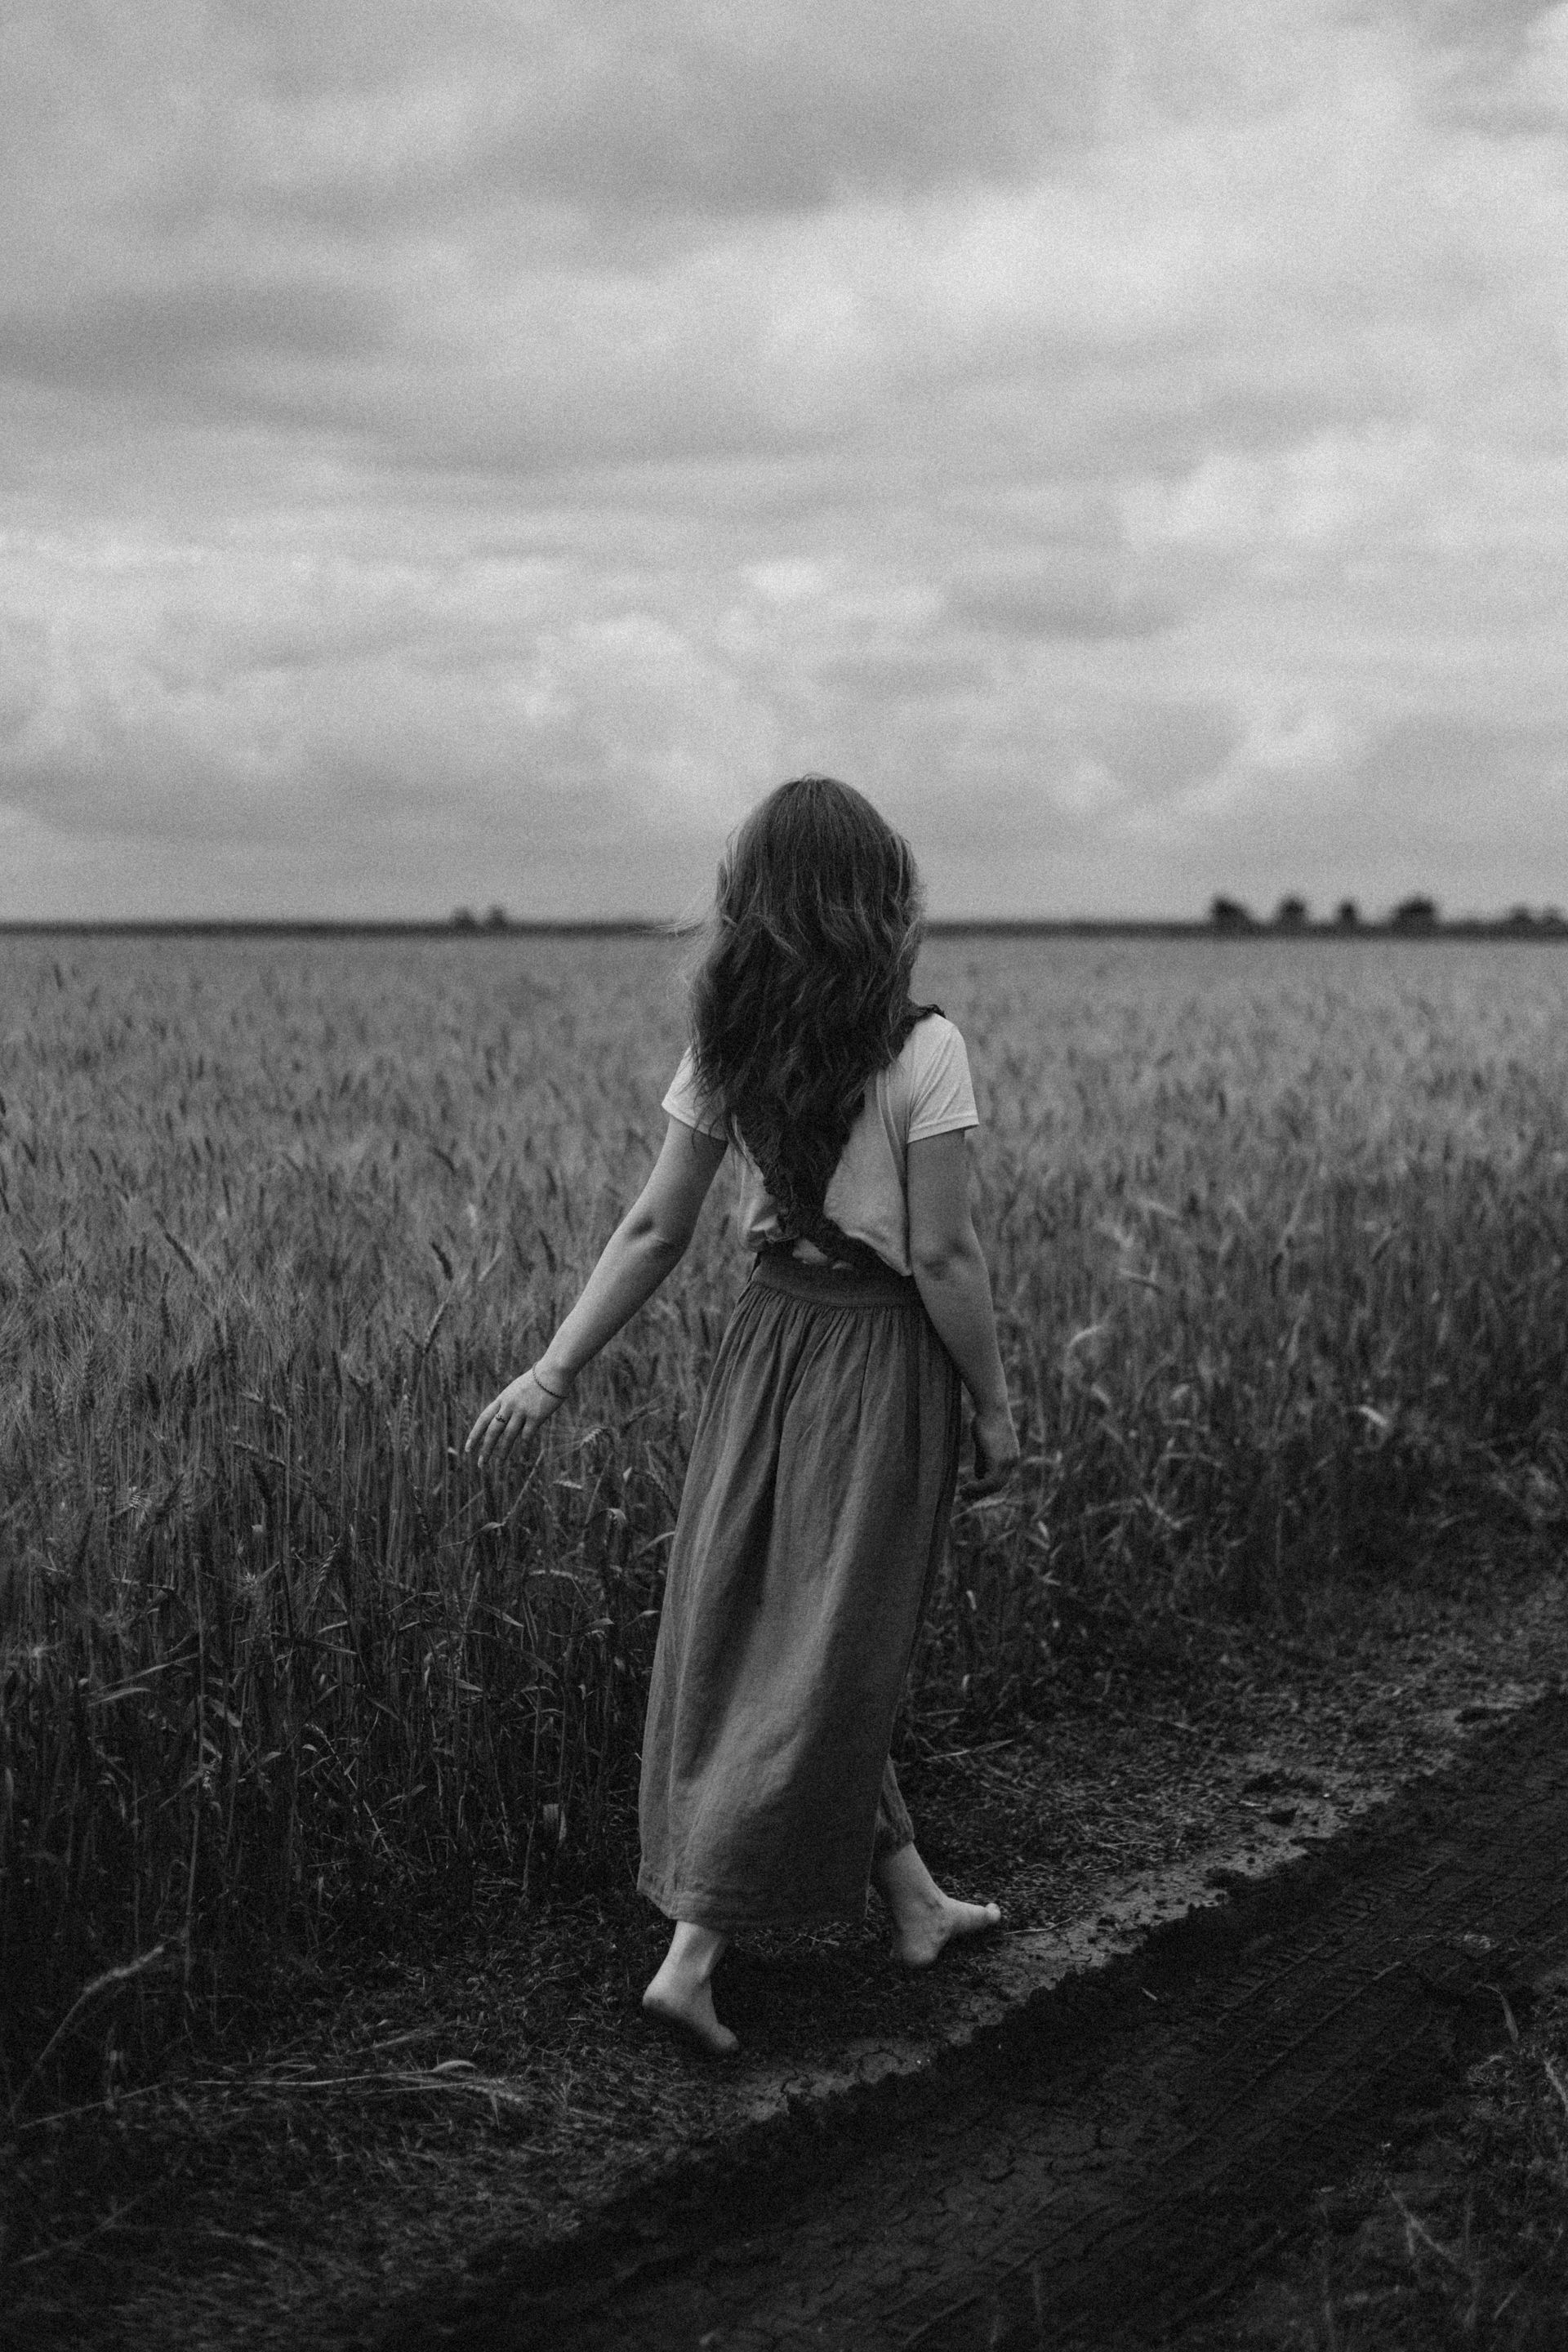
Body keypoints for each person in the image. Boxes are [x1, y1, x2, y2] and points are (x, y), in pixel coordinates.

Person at [466, 775, 1020, 2053]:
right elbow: (943, 1261)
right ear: (879, 898)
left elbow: (657, 1226)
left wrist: (553, 1369)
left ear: (754, 905)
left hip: (766, 1341)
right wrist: (994, 1408)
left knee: (800, 1619)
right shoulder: (925, 1048)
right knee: (831, 1642)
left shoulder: (728, 1043)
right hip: (878, 1361)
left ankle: (913, 1898)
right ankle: (695, 1949)